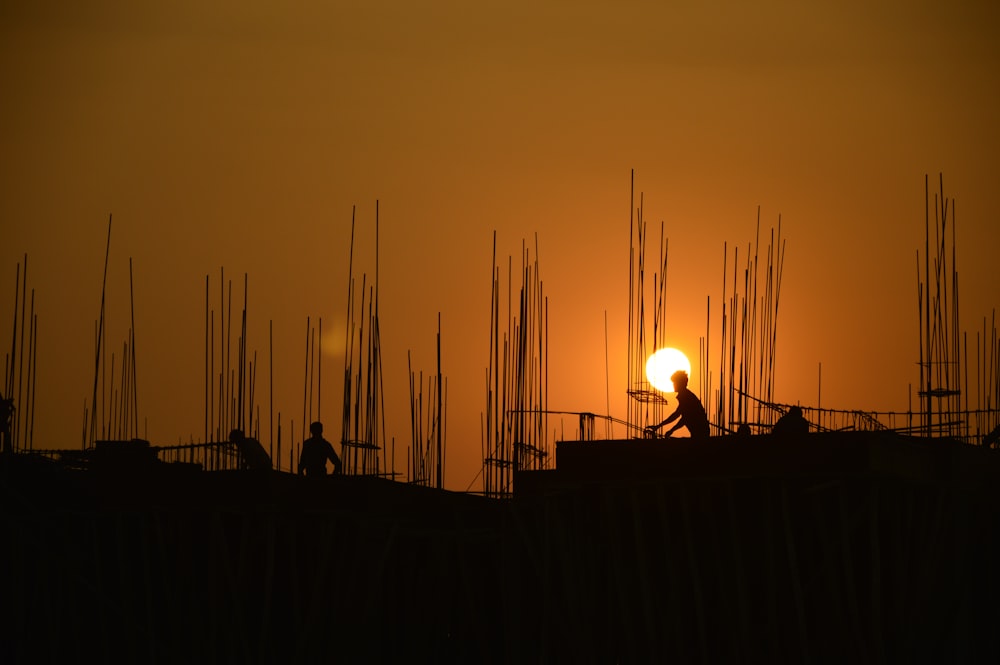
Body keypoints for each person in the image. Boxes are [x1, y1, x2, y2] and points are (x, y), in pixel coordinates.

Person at [645, 370, 710, 439]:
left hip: (701, 432)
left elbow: (684, 419)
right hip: (699, 432)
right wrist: (658, 426)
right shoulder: (685, 395)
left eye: (675, 383)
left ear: (680, 383)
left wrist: (671, 430)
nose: (673, 385)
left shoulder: (686, 397)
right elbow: (677, 415)